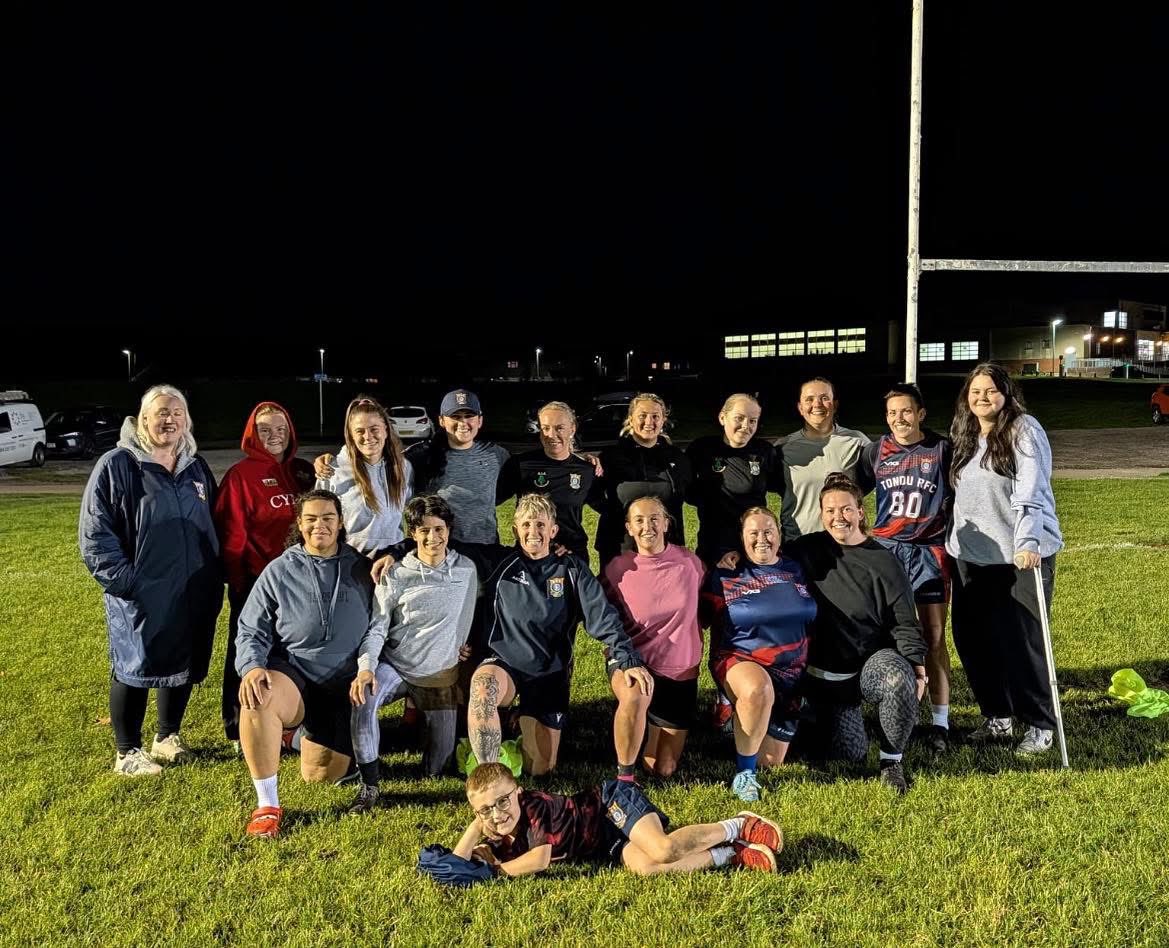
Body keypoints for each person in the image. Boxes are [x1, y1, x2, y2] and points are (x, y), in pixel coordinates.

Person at [79, 384, 223, 776]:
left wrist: (215, 573)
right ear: (142, 419)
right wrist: (127, 583)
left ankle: (166, 737)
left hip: (193, 587)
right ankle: (127, 752)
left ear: (187, 421)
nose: (169, 420)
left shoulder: (195, 466)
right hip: (144, 591)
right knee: (135, 663)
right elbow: (96, 533)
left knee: (182, 659)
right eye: (160, 412)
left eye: (177, 413)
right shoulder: (119, 464)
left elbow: (216, 522)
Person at [466, 493, 653, 776]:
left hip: (549, 672)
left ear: (553, 530)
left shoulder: (571, 568)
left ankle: (517, 725)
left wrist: (627, 658)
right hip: (504, 665)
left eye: (541, 525)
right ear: (515, 529)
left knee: (541, 769)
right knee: (483, 690)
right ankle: (488, 777)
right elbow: (439, 546)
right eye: (526, 525)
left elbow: (602, 616)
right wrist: (395, 551)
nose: (533, 532)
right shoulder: (497, 562)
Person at [234, 490, 380, 839]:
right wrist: (252, 667)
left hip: (344, 684)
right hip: (295, 675)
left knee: (320, 776)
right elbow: (250, 629)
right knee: (258, 695)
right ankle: (267, 805)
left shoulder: (361, 567)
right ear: (299, 524)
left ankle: (294, 736)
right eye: (311, 518)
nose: (320, 525)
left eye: (328, 517)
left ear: (341, 522)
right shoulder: (279, 571)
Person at [946, 363, 1064, 756]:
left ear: (1005, 393)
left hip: (1020, 557)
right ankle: (997, 715)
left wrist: (1028, 540)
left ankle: (1040, 723)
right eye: (975, 391)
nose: (982, 397)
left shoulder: (1023, 428)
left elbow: (1031, 487)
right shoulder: (964, 434)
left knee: (1022, 643)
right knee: (973, 640)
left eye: (990, 391)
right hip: (971, 559)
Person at [785, 473, 928, 793]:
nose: (839, 517)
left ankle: (892, 762)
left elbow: (904, 621)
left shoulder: (884, 562)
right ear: (821, 514)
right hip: (813, 675)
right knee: (838, 752)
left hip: (861, 672)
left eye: (846, 509)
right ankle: (809, 719)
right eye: (831, 511)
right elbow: (762, 553)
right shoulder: (805, 550)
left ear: (860, 511)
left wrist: (916, 667)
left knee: (897, 677)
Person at [346, 494, 477, 814]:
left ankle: (420, 741)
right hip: (396, 666)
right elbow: (377, 628)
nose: (433, 537)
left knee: (436, 767)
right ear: (413, 534)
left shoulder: (466, 569)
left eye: (439, 529)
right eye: (424, 531)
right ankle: (370, 784)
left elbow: (467, 613)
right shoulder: (396, 573)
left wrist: (459, 643)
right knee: (363, 699)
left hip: (438, 674)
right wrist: (366, 668)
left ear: (449, 530)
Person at [454, 762, 783, 876]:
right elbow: (455, 865)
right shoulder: (496, 833)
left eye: (502, 801)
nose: (497, 814)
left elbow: (540, 859)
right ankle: (731, 852)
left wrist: (496, 872)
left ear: (518, 792)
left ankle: (739, 824)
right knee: (647, 868)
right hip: (606, 843)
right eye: (486, 810)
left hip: (609, 805)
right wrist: (475, 827)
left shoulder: (533, 806)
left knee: (663, 849)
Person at [856, 383, 954, 752]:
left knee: (933, 635)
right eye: (892, 412)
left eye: (907, 411)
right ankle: (890, 704)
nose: (900, 418)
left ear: (921, 413)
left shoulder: (941, 449)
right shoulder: (876, 451)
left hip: (929, 552)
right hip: (888, 552)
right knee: (885, 632)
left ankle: (940, 722)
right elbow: (852, 490)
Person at [213, 401, 315, 746]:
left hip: (300, 583)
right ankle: (237, 718)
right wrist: (240, 583)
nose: (274, 436)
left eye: (281, 430)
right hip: (256, 582)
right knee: (248, 648)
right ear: (252, 434)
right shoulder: (241, 476)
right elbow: (232, 534)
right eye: (265, 430)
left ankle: (289, 716)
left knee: (289, 651)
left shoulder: (302, 471)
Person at [702, 508, 814, 802]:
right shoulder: (727, 573)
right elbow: (697, 619)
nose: (762, 539)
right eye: (753, 533)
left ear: (780, 535)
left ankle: (739, 721)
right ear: (741, 538)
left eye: (769, 532)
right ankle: (744, 775)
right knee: (757, 690)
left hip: (791, 675)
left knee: (771, 761)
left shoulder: (796, 568)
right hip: (741, 659)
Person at [602, 496, 706, 777]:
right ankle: (624, 778)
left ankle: (643, 726)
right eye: (639, 520)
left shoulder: (690, 563)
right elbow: (598, 617)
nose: (647, 526)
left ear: (666, 523)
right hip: (635, 662)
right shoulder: (617, 570)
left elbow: (712, 602)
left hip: (679, 670)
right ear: (629, 528)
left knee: (663, 768)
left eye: (654, 519)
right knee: (636, 694)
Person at [685, 393, 786, 566]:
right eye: (739, 418)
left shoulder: (765, 451)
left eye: (753, 421)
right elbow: (687, 490)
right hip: (713, 543)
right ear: (722, 417)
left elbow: (780, 488)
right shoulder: (701, 449)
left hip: (755, 543)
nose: (746, 426)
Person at [592, 394, 692, 567]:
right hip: (620, 547)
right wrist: (617, 513)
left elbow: (688, 492)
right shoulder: (611, 457)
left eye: (655, 416)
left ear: (663, 420)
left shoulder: (677, 457)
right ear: (631, 419)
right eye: (642, 416)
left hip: (666, 546)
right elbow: (592, 493)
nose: (649, 421)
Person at [495, 401, 600, 558]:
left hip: (571, 554)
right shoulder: (520, 465)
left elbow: (607, 508)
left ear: (572, 429)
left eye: (559, 428)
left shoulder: (586, 470)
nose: (551, 435)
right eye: (545, 428)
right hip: (531, 553)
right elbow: (490, 499)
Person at [315, 395, 413, 557]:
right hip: (350, 563)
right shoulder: (332, 470)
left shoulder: (403, 467)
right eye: (360, 431)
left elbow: (409, 519)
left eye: (374, 429)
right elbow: (320, 522)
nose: (367, 437)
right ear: (351, 436)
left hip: (393, 561)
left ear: (386, 430)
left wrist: (399, 552)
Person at [778, 377, 870, 541]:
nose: (817, 404)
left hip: (842, 541)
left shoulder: (857, 441)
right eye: (809, 399)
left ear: (834, 405)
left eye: (825, 398)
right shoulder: (783, 447)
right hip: (798, 542)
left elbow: (877, 478)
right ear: (800, 407)